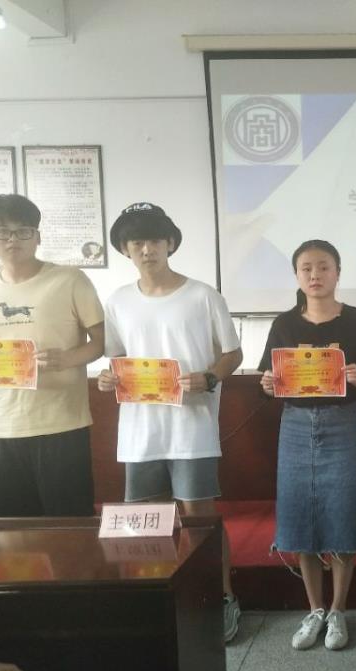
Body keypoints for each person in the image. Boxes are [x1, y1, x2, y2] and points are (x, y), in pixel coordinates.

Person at [95, 202, 244, 641]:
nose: (147, 249)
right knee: (145, 519)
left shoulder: (203, 295)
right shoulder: (118, 301)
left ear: (171, 243)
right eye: (137, 241)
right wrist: (107, 377)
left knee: (201, 517)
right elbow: (117, 358)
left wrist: (210, 376)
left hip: (192, 427)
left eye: (155, 240)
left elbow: (232, 353)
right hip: (140, 431)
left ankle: (221, 597)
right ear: (125, 249)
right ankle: (154, 600)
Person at [259, 239, 356, 651]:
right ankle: (314, 609)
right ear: (297, 275)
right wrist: (267, 383)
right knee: (300, 516)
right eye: (307, 268)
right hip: (295, 426)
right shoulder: (284, 324)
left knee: (343, 513)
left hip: (343, 424)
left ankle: (339, 610)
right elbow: (267, 381)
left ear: (337, 273)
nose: (315, 275)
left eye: (324, 267)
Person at [0, 194, 104, 517]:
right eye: (2, 232)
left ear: (38, 236)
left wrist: (67, 359)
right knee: (9, 530)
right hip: (1, 424)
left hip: (62, 422)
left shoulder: (70, 279)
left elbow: (101, 342)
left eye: (23, 231)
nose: (13, 240)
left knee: (69, 524)